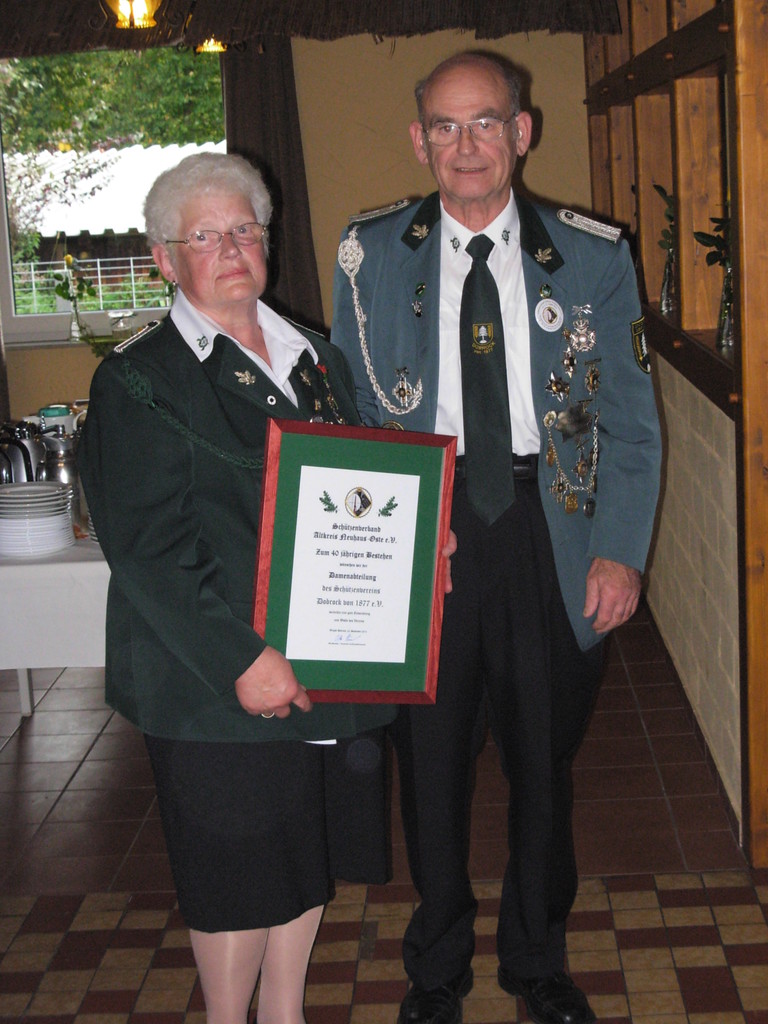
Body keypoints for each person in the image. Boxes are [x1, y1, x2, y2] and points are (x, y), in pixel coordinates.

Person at [331, 52, 661, 1024]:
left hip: (549, 530)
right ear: (419, 139)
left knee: (542, 761)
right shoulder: (372, 252)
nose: (465, 145)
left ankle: (536, 961)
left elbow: (633, 425)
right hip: (423, 528)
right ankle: (436, 969)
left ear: (523, 131)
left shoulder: (592, 256)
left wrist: (623, 548)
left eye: (485, 124)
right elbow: (350, 420)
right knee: (427, 761)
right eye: (444, 126)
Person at [78, 152, 401, 1024]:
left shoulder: (316, 359)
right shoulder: (141, 378)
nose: (231, 249)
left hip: (318, 659)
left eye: (246, 230)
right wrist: (241, 658)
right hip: (214, 678)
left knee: (301, 852)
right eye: (206, 235)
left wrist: (411, 541)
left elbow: (357, 491)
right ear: (163, 257)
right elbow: (147, 549)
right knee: (235, 868)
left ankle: (286, 1014)